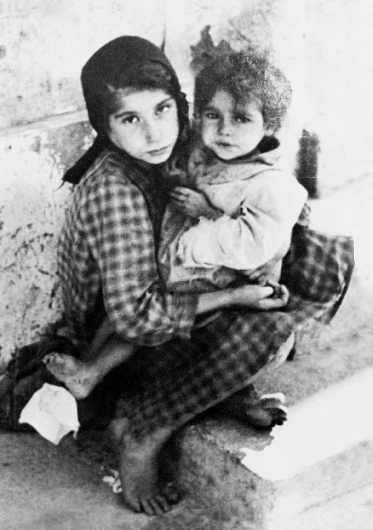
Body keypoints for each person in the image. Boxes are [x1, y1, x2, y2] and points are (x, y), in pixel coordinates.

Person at [30, 36, 352, 516]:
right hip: (127, 330)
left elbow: (250, 195)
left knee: (324, 253)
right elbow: (138, 316)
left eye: (162, 110)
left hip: (177, 280)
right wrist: (235, 294)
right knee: (265, 327)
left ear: (180, 105)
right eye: (130, 119)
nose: (155, 133)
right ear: (105, 125)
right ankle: (142, 431)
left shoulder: (186, 141)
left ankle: (223, 392)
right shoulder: (115, 192)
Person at [158, 52, 308, 295]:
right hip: (185, 265)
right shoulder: (203, 150)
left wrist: (207, 212)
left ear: (270, 125)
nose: (224, 129)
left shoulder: (270, 183)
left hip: (230, 279)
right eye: (212, 115)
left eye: (241, 118)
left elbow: (251, 244)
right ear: (198, 116)